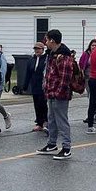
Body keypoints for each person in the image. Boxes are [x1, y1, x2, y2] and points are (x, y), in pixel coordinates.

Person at [38, 29, 75, 159]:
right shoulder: (51, 54)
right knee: (52, 119)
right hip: (51, 92)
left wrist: (58, 92)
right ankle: (52, 143)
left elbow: (65, 77)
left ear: (52, 40)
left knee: (61, 120)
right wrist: (47, 88)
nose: (45, 43)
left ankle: (66, 147)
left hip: (60, 94)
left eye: (47, 40)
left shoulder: (63, 56)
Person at [28, 41, 48, 132]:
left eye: (39, 49)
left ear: (43, 49)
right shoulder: (32, 59)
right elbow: (28, 72)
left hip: (43, 85)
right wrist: (25, 85)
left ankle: (46, 121)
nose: (37, 51)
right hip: (34, 85)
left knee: (43, 104)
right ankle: (39, 123)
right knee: (36, 104)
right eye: (35, 49)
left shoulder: (46, 59)